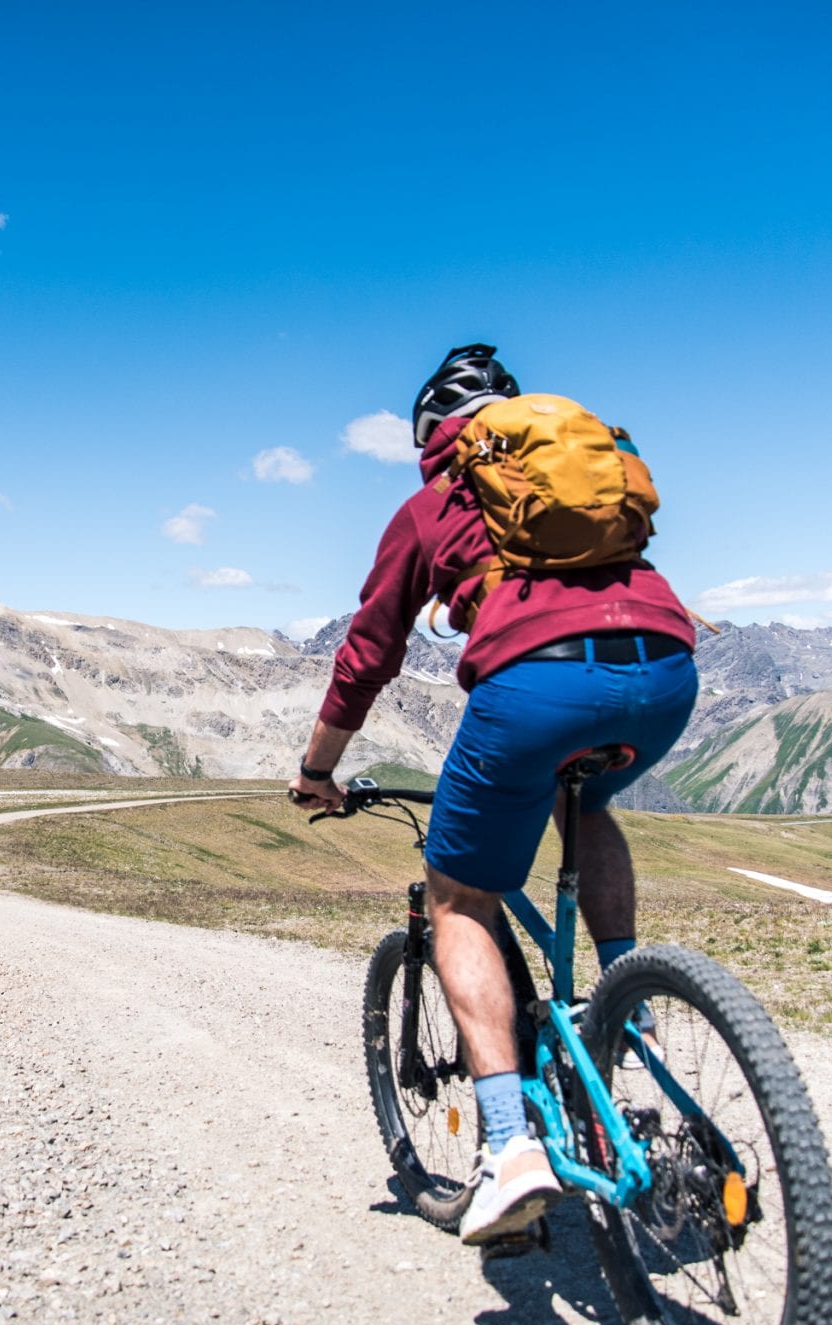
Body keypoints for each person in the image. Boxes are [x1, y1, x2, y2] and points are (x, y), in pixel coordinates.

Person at [289, 344, 698, 1246]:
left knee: (461, 895)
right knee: (586, 801)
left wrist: (318, 771)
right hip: (666, 669)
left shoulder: (431, 504)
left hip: (536, 684)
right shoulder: (581, 474)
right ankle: (627, 1004)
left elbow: (367, 655)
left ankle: (509, 1148)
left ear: (432, 434)